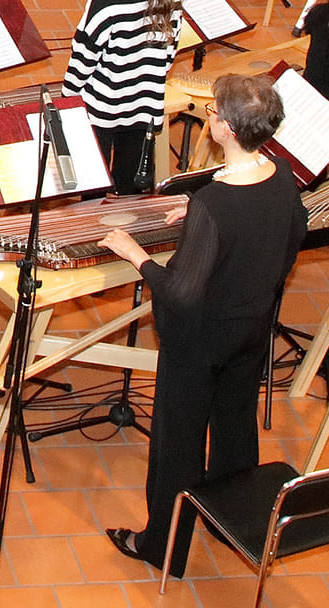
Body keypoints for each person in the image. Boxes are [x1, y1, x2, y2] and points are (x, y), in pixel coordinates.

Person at [100, 72, 308, 574]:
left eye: (214, 112)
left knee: (178, 441)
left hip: (201, 343)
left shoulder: (215, 204)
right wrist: (200, 226)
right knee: (235, 426)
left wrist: (136, 256)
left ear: (228, 130)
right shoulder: (279, 175)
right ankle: (229, 520)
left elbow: (183, 295)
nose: (209, 117)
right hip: (251, 329)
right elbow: (291, 232)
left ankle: (161, 546)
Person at [64, 0, 184, 192]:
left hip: (103, 107)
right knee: (130, 187)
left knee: (93, 186)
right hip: (144, 104)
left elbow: (84, 59)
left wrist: (68, 99)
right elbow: (170, 52)